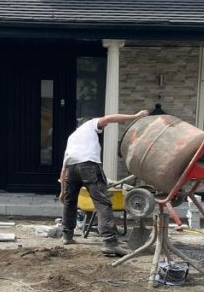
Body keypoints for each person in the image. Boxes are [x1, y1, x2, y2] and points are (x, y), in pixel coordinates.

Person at [60, 109, 149, 257]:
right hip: (88, 165)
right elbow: (107, 118)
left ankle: (67, 236)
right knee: (102, 203)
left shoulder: (72, 137)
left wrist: (62, 191)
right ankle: (110, 243)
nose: (101, 129)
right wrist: (136, 116)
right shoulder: (89, 125)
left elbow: (63, 169)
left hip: (71, 169)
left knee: (70, 202)